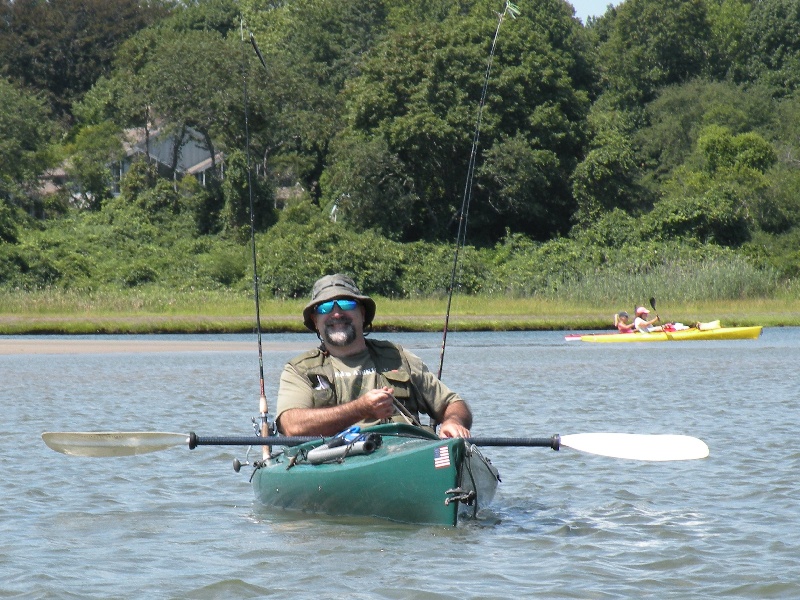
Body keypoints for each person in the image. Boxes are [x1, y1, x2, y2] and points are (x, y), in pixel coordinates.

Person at [275, 273, 472, 439]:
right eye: (325, 308)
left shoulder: (399, 357)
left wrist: (453, 422)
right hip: (337, 464)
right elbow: (292, 426)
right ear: (315, 321)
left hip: (407, 456)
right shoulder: (300, 370)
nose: (336, 314)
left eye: (346, 304)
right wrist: (360, 409)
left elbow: (454, 404)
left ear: (362, 313)